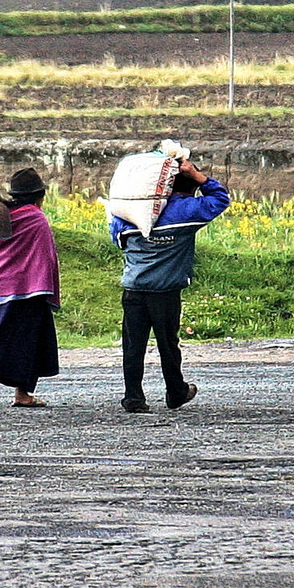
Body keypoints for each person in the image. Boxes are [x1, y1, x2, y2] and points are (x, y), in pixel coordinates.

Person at [110, 156, 230, 413]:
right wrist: (200, 177)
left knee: (133, 346)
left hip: (134, 289)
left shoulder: (129, 214)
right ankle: (175, 392)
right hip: (165, 292)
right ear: (189, 187)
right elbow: (220, 200)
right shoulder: (187, 212)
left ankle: (133, 397)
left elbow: (117, 238)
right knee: (168, 344)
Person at [0, 168, 62, 407]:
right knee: (29, 343)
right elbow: (46, 255)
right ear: (39, 195)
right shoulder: (36, 217)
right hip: (30, 287)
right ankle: (4, 384)